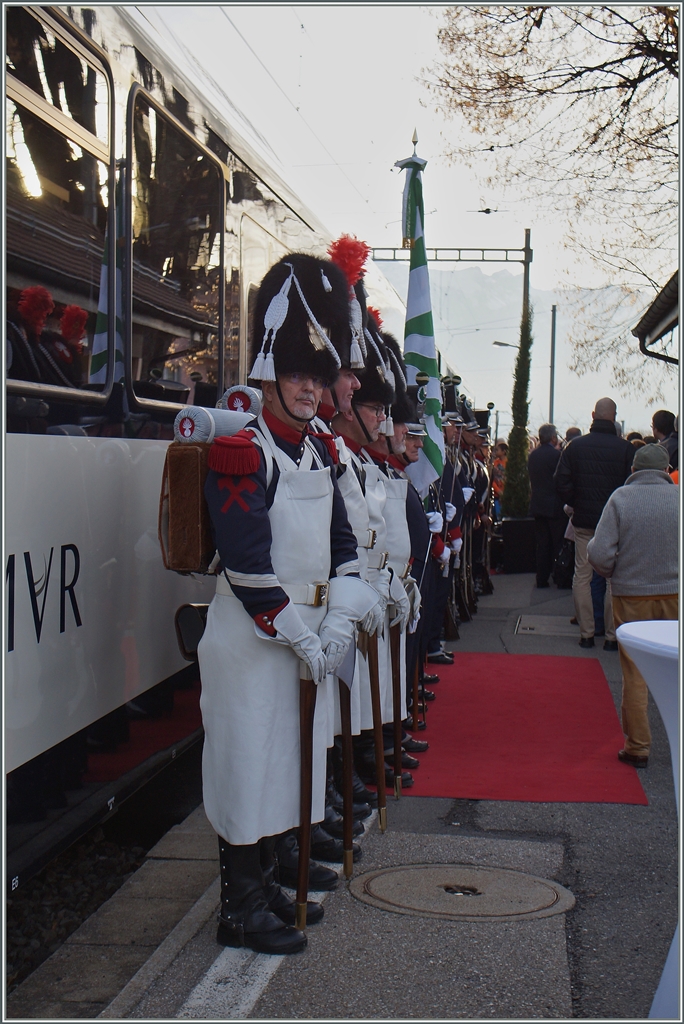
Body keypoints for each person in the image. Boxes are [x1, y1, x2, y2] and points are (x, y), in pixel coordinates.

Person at [198, 253, 374, 955]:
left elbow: (344, 549)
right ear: (270, 373)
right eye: (297, 375)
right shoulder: (242, 451)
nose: (308, 388)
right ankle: (238, 907)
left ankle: (268, 878)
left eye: (318, 376)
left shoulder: (316, 452)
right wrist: (303, 635)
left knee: (288, 766)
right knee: (248, 764)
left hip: (303, 633)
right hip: (253, 637)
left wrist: (338, 619)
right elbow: (247, 568)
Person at [587, 443, 678, 767]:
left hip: (632, 595)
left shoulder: (621, 500)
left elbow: (599, 555)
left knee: (635, 673)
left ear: (633, 470)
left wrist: (615, 572)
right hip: (676, 595)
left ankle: (638, 746)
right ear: (667, 471)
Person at [554, 397, 635, 650]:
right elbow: (630, 486)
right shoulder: (625, 449)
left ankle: (587, 633)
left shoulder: (575, 447)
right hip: (615, 521)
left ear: (593, 415)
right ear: (614, 417)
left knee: (582, 575)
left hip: (584, 520)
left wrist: (575, 501)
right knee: (613, 577)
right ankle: (612, 637)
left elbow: (561, 481)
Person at [528, 423, 566, 588]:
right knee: (557, 543)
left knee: (542, 544)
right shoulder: (557, 456)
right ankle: (559, 575)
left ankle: (541, 578)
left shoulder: (533, 456)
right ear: (553, 437)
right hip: (555, 506)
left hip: (538, 504)